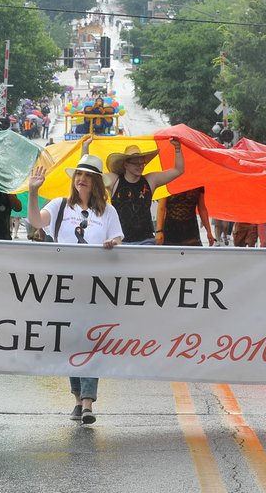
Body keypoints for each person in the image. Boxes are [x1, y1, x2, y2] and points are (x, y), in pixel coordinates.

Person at [27, 154, 123, 424]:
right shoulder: (59, 206)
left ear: (95, 183)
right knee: (71, 341)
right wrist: (34, 192)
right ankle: (78, 398)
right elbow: (36, 221)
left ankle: (88, 402)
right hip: (63, 285)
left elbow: (117, 237)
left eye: (88, 176)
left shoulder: (107, 212)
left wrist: (113, 243)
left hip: (95, 286)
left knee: (90, 339)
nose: (81, 180)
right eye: (78, 175)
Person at [83, 138, 184, 244]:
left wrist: (177, 149)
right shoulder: (114, 180)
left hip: (146, 241)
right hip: (119, 240)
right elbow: (88, 175)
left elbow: (178, 170)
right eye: (136, 163)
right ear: (125, 164)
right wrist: (85, 147)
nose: (140, 166)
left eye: (142, 163)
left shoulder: (150, 180)